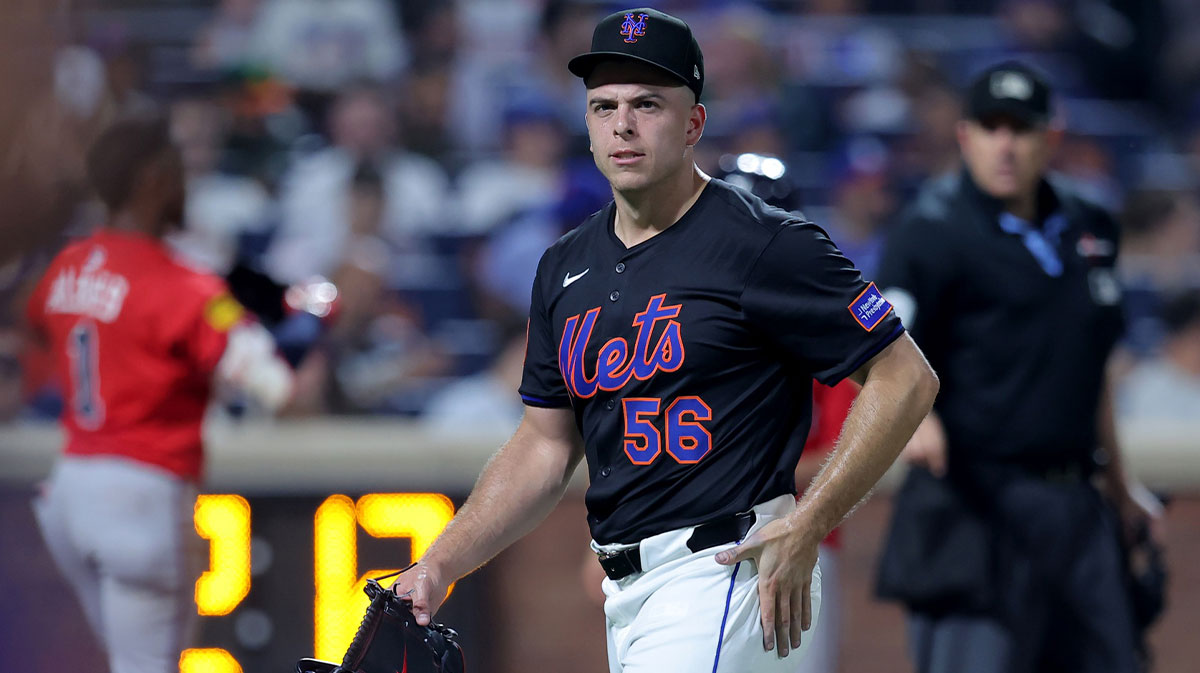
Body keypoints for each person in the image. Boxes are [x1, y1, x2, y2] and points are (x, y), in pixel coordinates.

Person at [392, 8, 938, 673]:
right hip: (627, 589)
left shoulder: (763, 242)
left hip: (727, 570)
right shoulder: (565, 265)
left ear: (694, 123)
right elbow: (543, 443)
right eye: (604, 105)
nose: (622, 123)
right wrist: (442, 561)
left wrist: (812, 518)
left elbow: (905, 375)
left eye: (648, 103)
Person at [874, 61, 1162, 673]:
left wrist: (1121, 487)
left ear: (1050, 138)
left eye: (1021, 129)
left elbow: (1093, 367)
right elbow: (877, 340)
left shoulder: (1092, 226)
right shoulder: (930, 230)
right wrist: (915, 419)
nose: (1005, 144)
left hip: (1074, 501)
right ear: (965, 136)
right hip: (973, 502)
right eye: (991, 127)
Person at [23, 116, 294, 673]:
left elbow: (35, 333)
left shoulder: (66, 266)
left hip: (69, 490)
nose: (184, 185)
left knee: (126, 659)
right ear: (151, 180)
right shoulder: (184, 283)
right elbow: (270, 384)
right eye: (175, 171)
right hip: (141, 495)